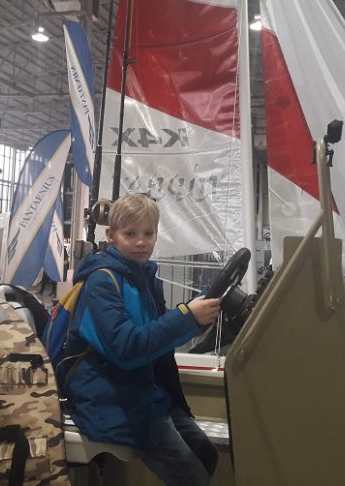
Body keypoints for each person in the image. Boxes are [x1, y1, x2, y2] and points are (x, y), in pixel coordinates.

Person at [61, 194, 222, 485]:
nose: (140, 242)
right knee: (191, 477)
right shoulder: (102, 282)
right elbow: (127, 348)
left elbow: (156, 335)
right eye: (130, 234)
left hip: (145, 390)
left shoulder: (144, 277)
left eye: (148, 234)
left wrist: (196, 319)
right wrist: (187, 317)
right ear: (111, 235)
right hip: (114, 397)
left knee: (206, 454)